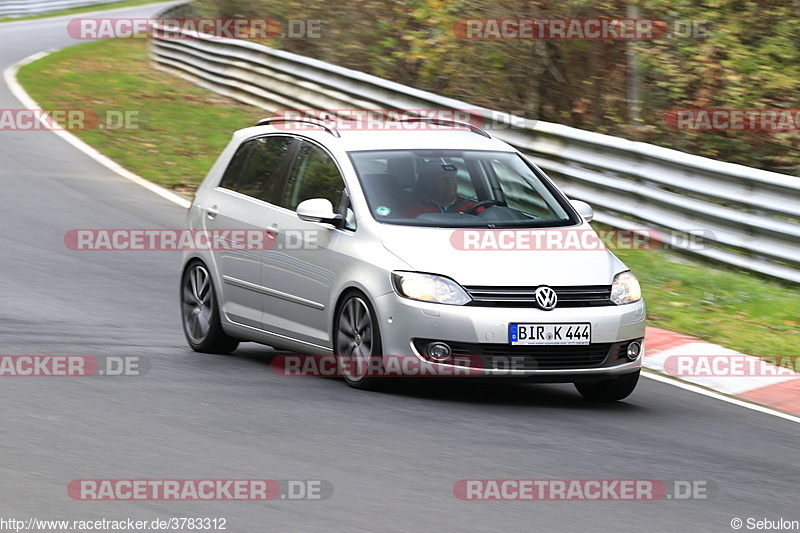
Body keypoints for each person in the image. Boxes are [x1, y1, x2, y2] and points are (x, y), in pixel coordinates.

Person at [405, 167, 476, 217]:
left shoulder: (472, 206)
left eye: (452, 178)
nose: (449, 182)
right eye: (443, 179)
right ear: (429, 182)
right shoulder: (416, 206)